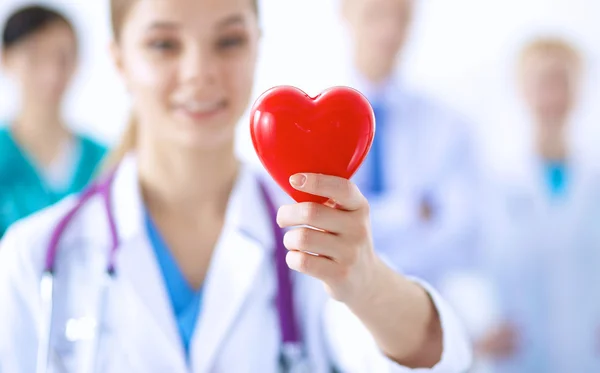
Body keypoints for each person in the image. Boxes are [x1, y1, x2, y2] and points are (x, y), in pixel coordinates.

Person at [0, 0, 472, 372]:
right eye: (164, 44)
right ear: (119, 61)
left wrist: (367, 283)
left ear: (256, 49)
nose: (200, 71)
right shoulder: (34, 255)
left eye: (228, 40)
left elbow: (427, 357)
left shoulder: (308, 239)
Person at [477, 37, 600, 373]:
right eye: (542, 82)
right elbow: (469, 266)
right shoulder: (494, 183)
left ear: (579, 91)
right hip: (517, 358)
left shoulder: (595, 181)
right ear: (521, 90)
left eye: (562, 81)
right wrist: (476, 326)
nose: (552, 95)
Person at [338, 0, 481, 288]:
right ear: (345, 13)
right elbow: (317, 225)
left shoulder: (448, 125)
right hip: (336, 301)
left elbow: (461, 236)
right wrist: (411, 210)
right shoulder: (308, 119)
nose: (389, 30)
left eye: (401, 17)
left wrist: (359, 215)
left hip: (422, 296)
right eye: (375, 14)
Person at [0, 4, 107, 238]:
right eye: (35, 56)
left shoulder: (106, 161)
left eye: (62, 57)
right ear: (5, 58)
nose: (51, 73)